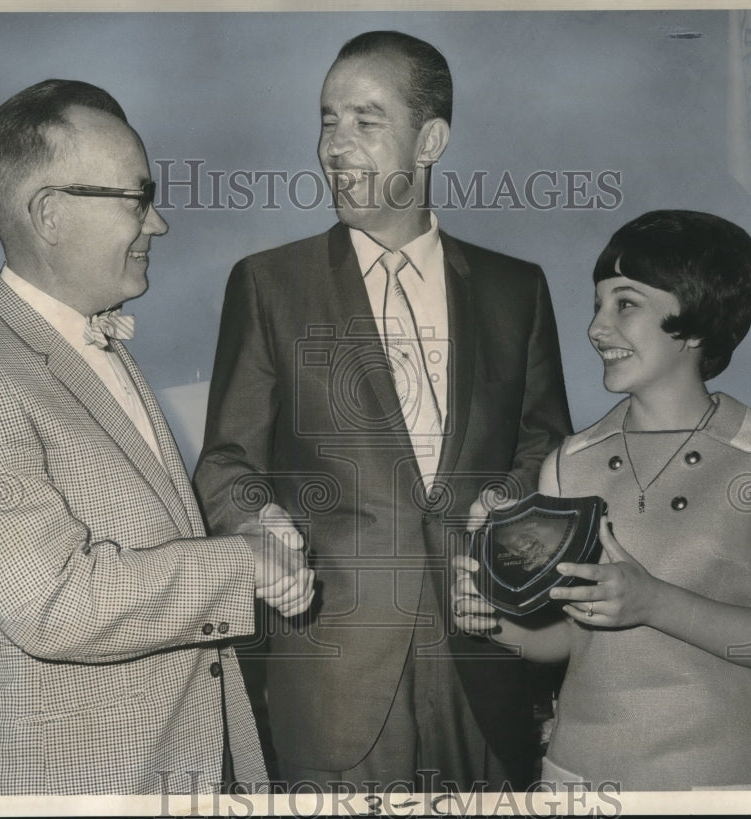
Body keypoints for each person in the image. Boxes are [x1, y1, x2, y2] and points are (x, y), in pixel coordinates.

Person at [0, 79, 313, 795]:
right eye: (137, 197)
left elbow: (144, 539)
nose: (156, 223)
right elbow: (54, 605)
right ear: (50, 214)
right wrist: (243, 561)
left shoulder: (99, 350)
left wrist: (250, 534)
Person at [194, 31, 572, 791]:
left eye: (366, 121)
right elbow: (225, 461)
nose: (335, 145)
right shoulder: (269, 284)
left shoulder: (516, 289)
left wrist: (509, 508)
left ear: (429, 140)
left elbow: (547, 442)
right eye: (328, 120)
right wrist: (257, 523)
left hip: (486, 660)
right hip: (332, 676)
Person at [453, 210, 751, 790]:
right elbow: (572, 639)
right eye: (597, 305)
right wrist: (498, 624)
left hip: (727, 784)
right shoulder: (567, 462)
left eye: (625, 304)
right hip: (580, 781)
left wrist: (655, 602)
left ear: (695, 318)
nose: (596, 328)